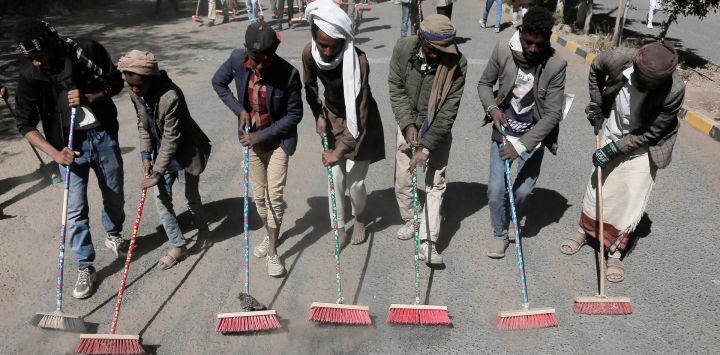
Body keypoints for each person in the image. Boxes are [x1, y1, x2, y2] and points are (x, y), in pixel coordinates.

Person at [12, 19, 126, 299]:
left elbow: (116, 83)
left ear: (52, 44)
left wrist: (91, 97)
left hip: (102, 136)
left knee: (114, 195)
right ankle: (85, 265)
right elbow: (25, 124)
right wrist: (55, 154)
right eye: (31, 58)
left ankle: (114, 232)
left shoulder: (86, 51)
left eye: (39, 56)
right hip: (66, 149)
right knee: (75, 210)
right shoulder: (29, 74)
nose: (37, 63)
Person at [561, 41, 685, 283]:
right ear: (636, 66)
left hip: (644, 146)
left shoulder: (674, 89)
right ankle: (584, 232)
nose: (645, 86)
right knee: (598, 187)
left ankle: (615, 252)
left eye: (652, 84)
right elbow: (596, 69)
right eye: (642, 79)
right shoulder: (619, 58)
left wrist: (615, 149)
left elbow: (652, 131)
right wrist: (596, 103)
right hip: (612, 131)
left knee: (629, 198)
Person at [212, 22, 303, 277]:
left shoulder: (289, 74)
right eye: (255, 61)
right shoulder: (236, 59)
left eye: (266, 60)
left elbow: (294, 115)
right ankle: (269, 232)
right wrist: (239, 110)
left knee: (274, 197)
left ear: (274, 53)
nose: (260, 67)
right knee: (259, 198)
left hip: (278, 143)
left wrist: (259, 136)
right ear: (246, 51)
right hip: (250, 141)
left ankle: (273, 251)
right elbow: (218, 83)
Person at [477, 7, 567, 259]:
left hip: (533, 136)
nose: (532, 49)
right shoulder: (503, 50)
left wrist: (520, 146)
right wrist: (492, 108)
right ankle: (499, 232)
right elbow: (484, 84)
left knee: (523, 192)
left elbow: (552, 114)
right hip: (503, 132)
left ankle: (514, 215)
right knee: (496, 190)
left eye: (540, 44)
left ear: (548, 38)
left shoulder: (556, 64)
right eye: (528, 42)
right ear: (521, 31)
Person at [118, 50, 212, 270]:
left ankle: (205, 232)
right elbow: (142, 124)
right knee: (161, 200)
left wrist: (157, 173)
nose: (134, 90)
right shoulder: (135, 91)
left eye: (139, 85)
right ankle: (179, 246)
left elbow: (172, 138)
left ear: (151, 78)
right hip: (161, 152)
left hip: (186, 151)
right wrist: (144, 154)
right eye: (130, 85)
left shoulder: (171, 97)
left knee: (191, 197)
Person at [303, 0, 385, 246]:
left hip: (361, 122)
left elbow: (358, 114)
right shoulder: (309, 53)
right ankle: (339, 226)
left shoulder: (358, 61)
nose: (328, 51)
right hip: (332, 117)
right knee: (335, 177)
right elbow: (309, 88)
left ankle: (360, 216)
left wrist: (338, 150)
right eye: (322, 45)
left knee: (355, 182)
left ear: (343, 41)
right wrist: (319, 114)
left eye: (333, 46)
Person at [389, 14, 467, 265]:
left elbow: (448, 110)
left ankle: (428, 241)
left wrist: (426, 146)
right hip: (408, 122)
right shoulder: (403, 48)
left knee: (435, 183)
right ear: (422, 39)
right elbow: (396, 87)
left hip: (437, 129)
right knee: (403, 179)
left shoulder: (458, 63)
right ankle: (412, 219)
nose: (438, 55)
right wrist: (407, 123)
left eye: (444, 50)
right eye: (434, 50)